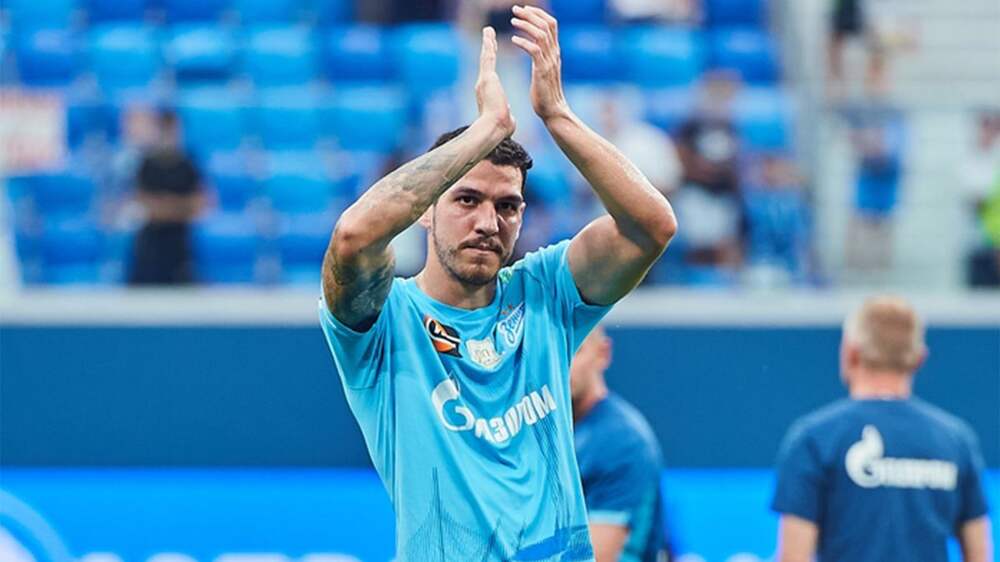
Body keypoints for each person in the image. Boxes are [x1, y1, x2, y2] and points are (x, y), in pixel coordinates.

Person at [318, 5, 677, 560]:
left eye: (507, 206)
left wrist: (556, 115)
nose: (489, 222)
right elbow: (352, 238)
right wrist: (486, 129)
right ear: (425, 210)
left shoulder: (546, 291)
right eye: (467, 199)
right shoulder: (385, 323)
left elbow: (651, 226)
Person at [772, 296, 993, 562]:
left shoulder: (815, 438)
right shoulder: (954, 441)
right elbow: (979, 553)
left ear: (851, 353)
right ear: (919, 358)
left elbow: (793, 556)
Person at [571, 326, 671, 562]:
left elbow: (595, 558)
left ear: (602, 354)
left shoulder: (623, 442)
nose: (561, 363)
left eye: (576, 350)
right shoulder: (534, 432)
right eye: (552, 350)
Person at [128, 108, 205, 285]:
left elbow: (200, 205)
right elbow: (144, 205)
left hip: (180, 246)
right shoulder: (146, 164)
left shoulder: (188, 164)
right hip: (150, 247)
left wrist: (164, 205)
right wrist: (179, 207)